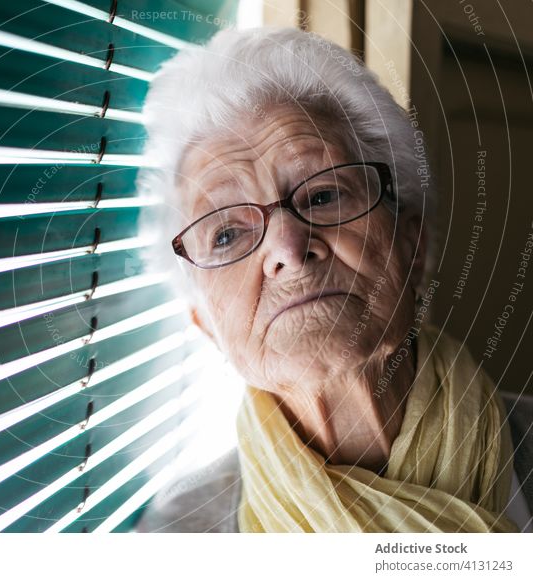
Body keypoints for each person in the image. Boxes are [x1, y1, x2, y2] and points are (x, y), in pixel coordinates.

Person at [133, 26, 533, 533]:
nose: (288, 250)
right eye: (228, 234)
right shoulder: (173, 540)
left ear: (412, 245)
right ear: (206, 323)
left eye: (323, 195)